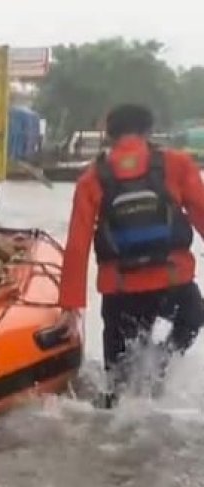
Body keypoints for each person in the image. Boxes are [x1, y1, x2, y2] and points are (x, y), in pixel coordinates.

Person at [56, 104, 204, 407]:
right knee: (192, 317)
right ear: (149, 130)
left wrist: (70, 304)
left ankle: (119, 398)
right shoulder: (177, 164)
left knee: (116, 389)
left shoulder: (92, 178)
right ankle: (161, 365)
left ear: (109, 136)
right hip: (173, 283)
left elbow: (77, 244)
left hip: (120, 290)